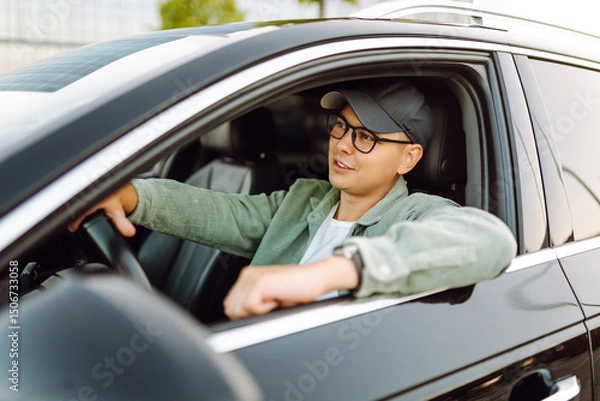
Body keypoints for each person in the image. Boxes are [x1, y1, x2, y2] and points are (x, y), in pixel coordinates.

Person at [69, 80, 517, 320]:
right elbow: (222, 212)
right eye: (340, 127)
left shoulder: (416, 214)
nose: (342, 145)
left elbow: (491, 240)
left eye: (365, 137)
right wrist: (131, 194)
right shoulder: (306, 199)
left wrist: (330, 274)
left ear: (409, 158)